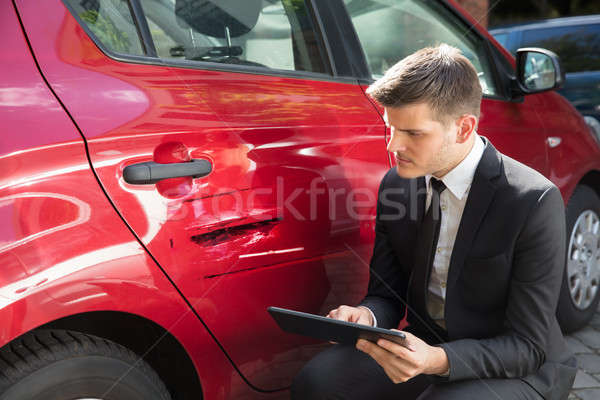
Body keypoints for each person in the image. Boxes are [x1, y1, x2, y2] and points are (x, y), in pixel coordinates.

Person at [291, 44, 577, 400]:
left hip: (517, 365)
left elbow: (526, 346)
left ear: (463, 128)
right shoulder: (397, 185)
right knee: (318, 381)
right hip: (423, 346)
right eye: (391, 128)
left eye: (413, 133)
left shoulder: (531, 200)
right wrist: (366, 316)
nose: (394, 145)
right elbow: (386, 295)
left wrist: (436, 359)